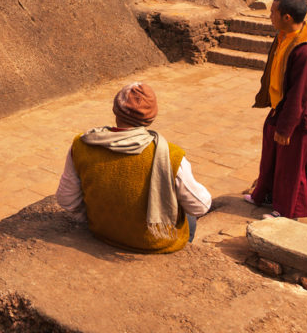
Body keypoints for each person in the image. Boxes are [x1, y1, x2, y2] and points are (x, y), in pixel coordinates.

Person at [55, 82, 212, 253]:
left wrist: (93, 217)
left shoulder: (82, 144)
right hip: (154, 243)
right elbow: (200, 206)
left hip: (102, 231)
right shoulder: (170, 155)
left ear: (115, 110)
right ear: (151, 118)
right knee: (188, 213)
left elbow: (66, 199)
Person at [246, 0, 307, 220]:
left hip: (298, 115)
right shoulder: (285, 35)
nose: (270, 16)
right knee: (271, 155)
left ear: (286, 16)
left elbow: (300, 94)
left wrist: (287, 128)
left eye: (273, 12)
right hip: (280, 106)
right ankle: (265, 195)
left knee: (291, 165)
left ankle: (287, 210)